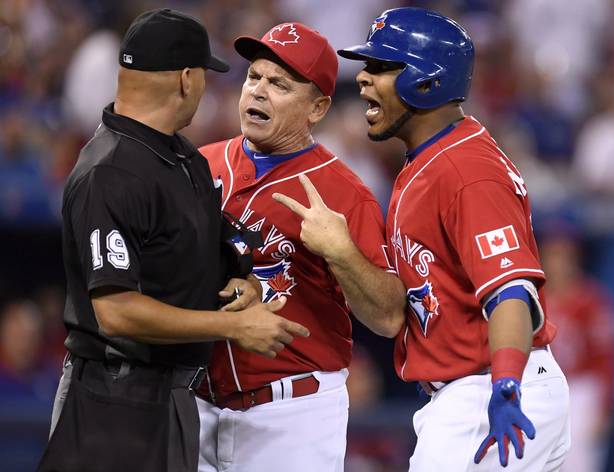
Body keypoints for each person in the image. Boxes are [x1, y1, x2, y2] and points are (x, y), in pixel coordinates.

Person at [277, 7, 571, 470]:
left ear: (425, 81)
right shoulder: (430, 161)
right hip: (470, 388)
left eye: (380, 67)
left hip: (488, 386)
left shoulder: (466, 170)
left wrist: (507, 385)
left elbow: (511, 291)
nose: (363, 79)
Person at [36, 9, 309, 472]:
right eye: (204, 73)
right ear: (186, 79)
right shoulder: (110, 172)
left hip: (173, 397)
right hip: (111, 401)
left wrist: (242, 283)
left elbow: (208, 250)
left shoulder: (182, 155)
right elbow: (116, 312)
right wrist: (233, 327)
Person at [196, 22, 405, 472]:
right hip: (198, 402)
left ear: (317, 108)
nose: (257, 92)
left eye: (279, 84)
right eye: (254, 77)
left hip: (289, 414)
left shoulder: (346, 193)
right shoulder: (201, 165)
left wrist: (342, 252)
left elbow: (388, 318)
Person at [540, 222, 614, 472]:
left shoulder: (591, 300)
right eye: (553, 254)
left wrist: (604, 406)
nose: (558, 262)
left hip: (581, 392)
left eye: (565, 255)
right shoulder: (532, 297)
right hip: (542, 388)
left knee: (578, 464)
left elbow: (605, 357)